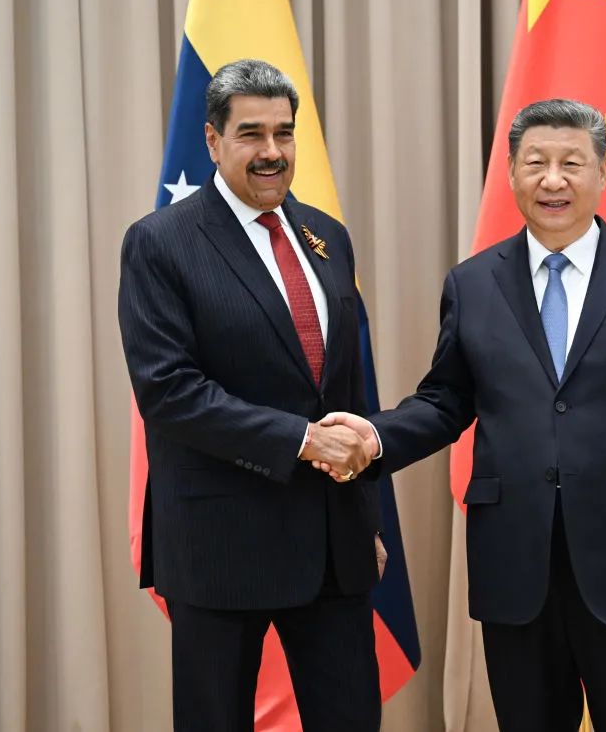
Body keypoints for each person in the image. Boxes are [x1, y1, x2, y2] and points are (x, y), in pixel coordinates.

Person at [317, 99, 606, 731]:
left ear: (602, 172)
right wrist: (376, 435)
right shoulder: (472, 285)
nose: (553, 180)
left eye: (572, 163)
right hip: (515, 561)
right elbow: (445, 401)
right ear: (511, 174)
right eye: (535, 162)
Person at [118, 59, 384, 732]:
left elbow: (347, 390)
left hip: (333, 544)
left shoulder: (328, 237)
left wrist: (366, 519)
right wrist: (302, 440)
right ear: (213, 140)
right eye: (251, 134)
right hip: (220, 546)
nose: (272, 151)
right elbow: (169, 392)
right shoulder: (160, 243)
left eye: (284, 133)